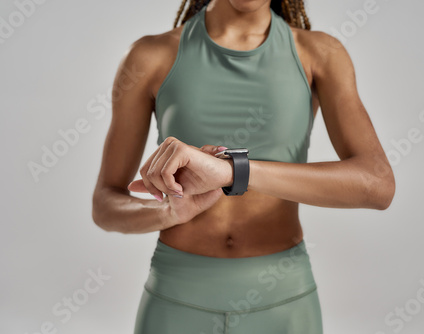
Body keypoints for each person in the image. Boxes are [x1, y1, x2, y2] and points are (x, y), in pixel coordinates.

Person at [91, 0, 396, 333]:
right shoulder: (150, 56)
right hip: (176, 298)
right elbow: (105, 204)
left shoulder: (319, 53)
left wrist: (234, 171)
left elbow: (377, 184)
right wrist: (168, 214)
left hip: (283, 302)